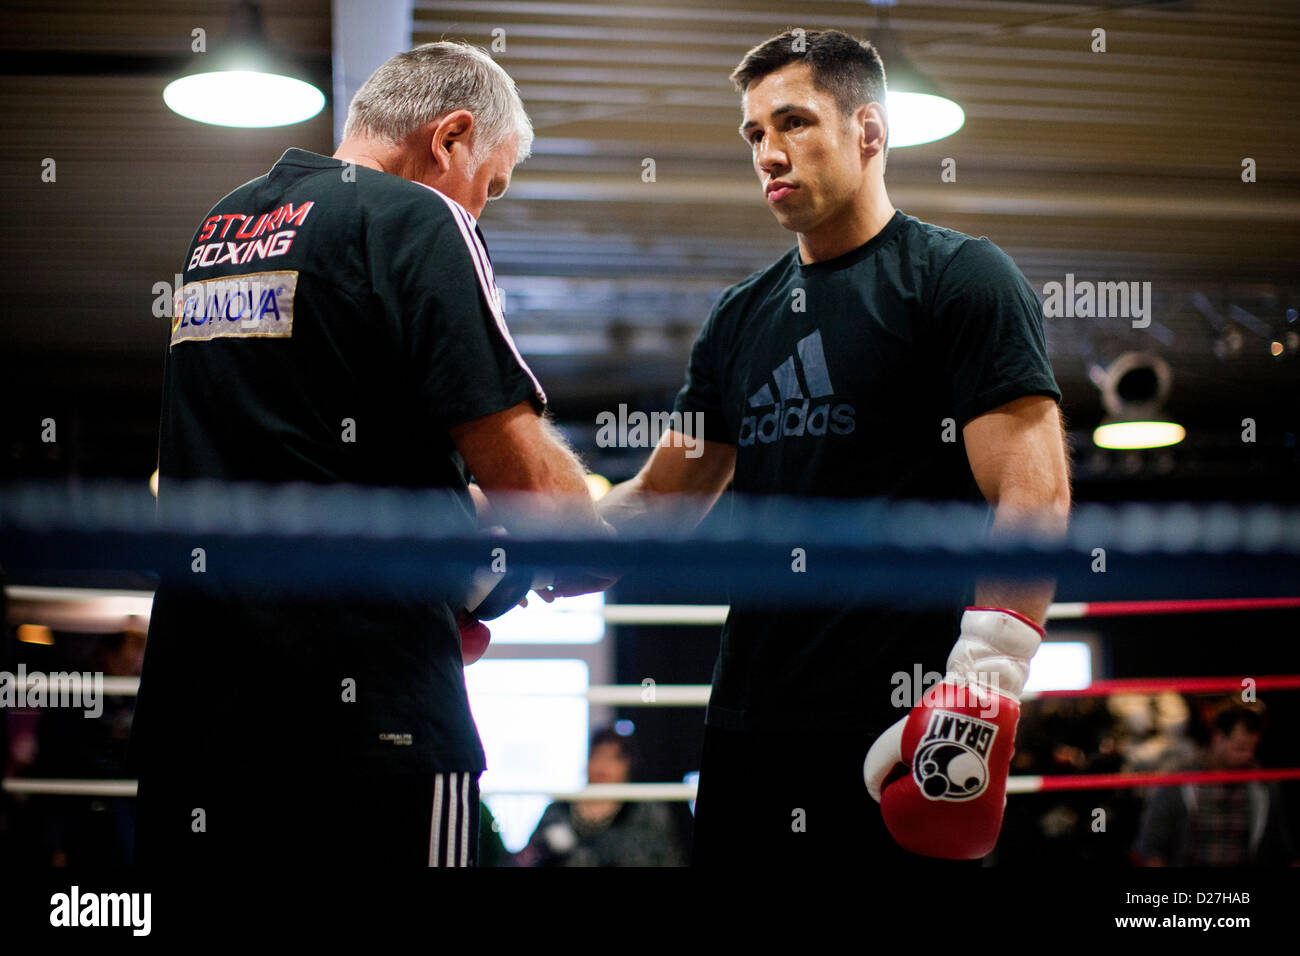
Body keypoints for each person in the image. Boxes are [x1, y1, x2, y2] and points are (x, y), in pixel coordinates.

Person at [598, 30, 1070, 866]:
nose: (769, 153)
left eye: (794, 123)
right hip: (749, 719)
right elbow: (661, 498)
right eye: (754, 134)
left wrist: (982, 687)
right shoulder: (740, 317)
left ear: (869, 132)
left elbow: (1032, 495)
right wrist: (516, 551)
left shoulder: (959, 280)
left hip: (900, 724)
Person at [132, 41, 608, 869]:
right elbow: (528, 480)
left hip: (197, 711)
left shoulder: (222, 226)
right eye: (489, 184)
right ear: (451, 137)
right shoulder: (418, 216)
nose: (481, 209)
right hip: (370, 720)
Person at [1134, 700, 1297, 866]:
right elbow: (1151, 847)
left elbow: (1284, 849)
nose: (1248, 756)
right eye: (1240, 748)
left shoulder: (1263, 786)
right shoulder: (1179, 779)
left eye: (1252, 748)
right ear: (1218, 738)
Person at [516, 728, 684, 866]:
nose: (602, 766)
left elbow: (666, 859)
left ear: (629, 765)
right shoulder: (558, 810)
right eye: (597, 756)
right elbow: (527, 858)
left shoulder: (646, 813)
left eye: (614, 758)